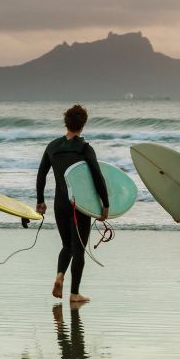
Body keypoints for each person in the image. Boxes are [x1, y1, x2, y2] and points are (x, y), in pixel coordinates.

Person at [36, 104, 109, 304]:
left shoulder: (52, 147)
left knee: (66, 245)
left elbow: (41, 174)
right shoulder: (85, 148)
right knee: (79, 249)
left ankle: (60, 275)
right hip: (80, 205)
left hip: (60, 203)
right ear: (83, 125)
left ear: (66, 122)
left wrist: (40, 200)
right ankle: (74, 294)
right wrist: (105, 203)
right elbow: (97, 175)